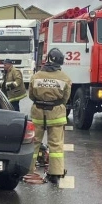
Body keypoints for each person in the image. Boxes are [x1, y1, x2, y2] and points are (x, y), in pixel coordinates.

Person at [27, 48, 71, 185]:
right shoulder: (64, 77)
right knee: (56, 145)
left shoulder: (36, 76)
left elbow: (31, 95)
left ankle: (28, 170)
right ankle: (55, 174)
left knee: (33, 143)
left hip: (38, 113)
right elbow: (65, 98)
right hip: (56, 114)